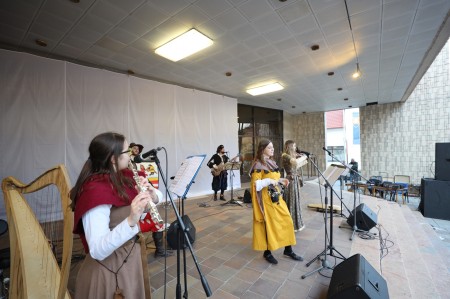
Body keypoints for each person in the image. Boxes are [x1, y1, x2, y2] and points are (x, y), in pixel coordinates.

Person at [70, 132, 163, 298]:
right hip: (109, 269)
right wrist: (131, 220)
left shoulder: (124, 176)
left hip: (129, 258)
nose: (131, 154)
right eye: (127, 151)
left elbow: (157, 196)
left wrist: (152, 195)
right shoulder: (95, 190)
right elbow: (97, 250)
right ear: (113, 158)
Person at [249, 139, 303, 264]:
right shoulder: (257, 164)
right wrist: (270, 181)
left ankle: (288, 250)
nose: (272, 149)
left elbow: (274, 179)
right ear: (262, 149)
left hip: (276, 197)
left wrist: (282, 180)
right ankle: (267, 253)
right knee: (270, 225)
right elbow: (255, 185)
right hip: (266, 199)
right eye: (269, 148)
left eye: (273, 147)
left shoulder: (272, 162)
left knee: (287, 220)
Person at [129, 141, 171, 258]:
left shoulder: (140, 165)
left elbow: (151, 187)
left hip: (142, 209)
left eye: (138, 149)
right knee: (152, 219)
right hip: (131, 216)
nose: (136, 150)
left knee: (158, 221)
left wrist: (151, 192)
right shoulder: (126, 168)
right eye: (134, 149)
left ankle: (160, 251)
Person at [281, 140, 305, 232]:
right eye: (294, 146)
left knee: (295, 200)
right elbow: (295, 162)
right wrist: (304, 157)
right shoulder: (285, 155)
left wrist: (301, 158)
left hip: (295, 180)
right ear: (290, 146)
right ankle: (289, 224)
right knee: (291, 201)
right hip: (290, 180)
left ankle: (295, 223)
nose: (295, 148)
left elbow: (296, 165)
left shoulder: (291, 156)